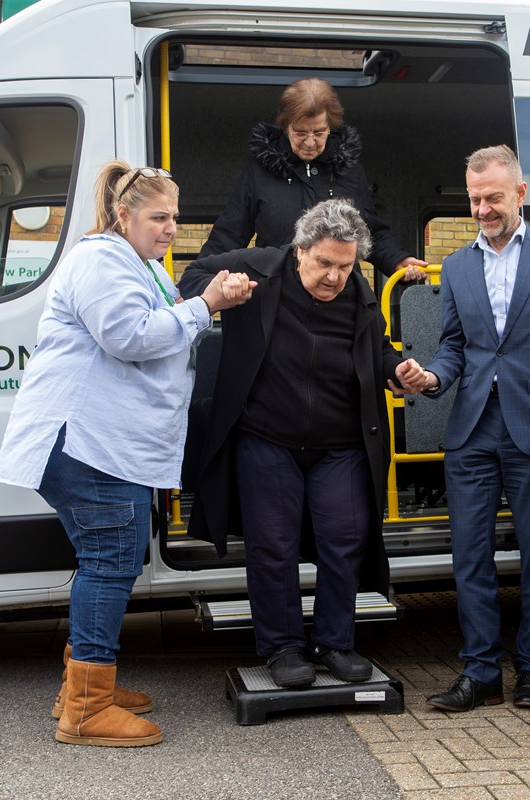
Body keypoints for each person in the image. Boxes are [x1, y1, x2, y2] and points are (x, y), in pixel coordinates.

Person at [0, 162, 254, 746]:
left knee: (108, 557)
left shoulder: (136, 264)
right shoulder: (100, 260)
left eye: (175, 217)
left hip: (102, 441)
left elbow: (157, 330)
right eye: (159, 216)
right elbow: (130, 336)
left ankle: (85, 685)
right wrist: (206, 303)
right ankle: (86, 709)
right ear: (123, 216)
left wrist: (197, 310)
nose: (170, 228)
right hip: (86, 441)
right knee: (110, 559)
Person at [179, 198, 424, 688]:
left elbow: (375, 351)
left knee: (345, 542)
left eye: (345, 265)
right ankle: (283, 648)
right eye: (324, 264)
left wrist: (395, 371)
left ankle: (335, 643)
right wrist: (218, 292)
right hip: (266, 439)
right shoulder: (258, 269)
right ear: (300, 250)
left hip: (342, 444)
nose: (334, 276)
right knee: (273, 546)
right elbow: (189, 279)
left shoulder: (358, 292)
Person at [400, 145, 530, 712]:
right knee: (470, 557)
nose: (483, 209)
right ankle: (481, 671)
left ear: (520, 194)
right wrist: (430, 378)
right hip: (471, 432)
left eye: (493, 198)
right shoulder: (458, 265)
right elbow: (457, 348)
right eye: (474, 199)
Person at [199, 76, 426, 281]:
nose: (309, 142)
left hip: (338, 291)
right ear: (285, 126)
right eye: (300, 132)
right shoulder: (259, 170)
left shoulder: (349, 170)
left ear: (331, 127)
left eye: (319, 132)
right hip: (278, 293)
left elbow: (369, 230)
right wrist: (198, 277)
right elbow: (230, 232)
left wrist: (398, 260)